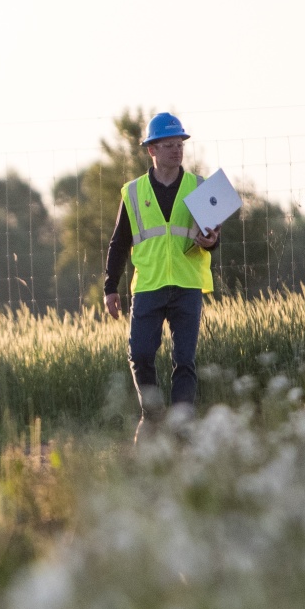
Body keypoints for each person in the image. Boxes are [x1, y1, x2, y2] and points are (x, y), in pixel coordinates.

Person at [103, 112, 219, 426]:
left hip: (187, 283)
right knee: (140, 355)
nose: (176, 150)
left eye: (179, 144)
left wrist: (210, 241)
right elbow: (119, 242)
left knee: (184, 360)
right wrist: (110, 287)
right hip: (148, 286)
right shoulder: (133, 192)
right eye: (168, 145)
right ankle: (152, 418)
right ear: (151, 150)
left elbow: (213, 237)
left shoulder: (201, 186)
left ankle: (181, 425)